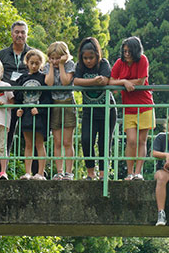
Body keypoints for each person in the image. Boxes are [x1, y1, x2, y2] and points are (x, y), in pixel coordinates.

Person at [110, 36, 154, 180]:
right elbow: (111, 81)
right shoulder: (119, 63)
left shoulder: (142, 60)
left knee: (142, 140)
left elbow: (141, 80)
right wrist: (124, 82)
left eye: (129, 51)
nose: (126, 54)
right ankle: (129, 172)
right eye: (124, 51)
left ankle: (138, 172)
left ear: (136, 51)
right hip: (128, 107)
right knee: (131, 140)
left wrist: (123, 83)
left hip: (144, 105)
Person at [0, 21, 37, 174]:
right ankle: (1, 172)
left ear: (27, 34)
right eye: (17, 32)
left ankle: (36, 171)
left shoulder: (33, 53)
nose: (20, 35)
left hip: (28, 100)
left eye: (23, 32)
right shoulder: (2, 54)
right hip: (8, 101)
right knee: (5, 136)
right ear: (12, 34)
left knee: (31, 135)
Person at [73, 37, 114, 181]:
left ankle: (103, 174)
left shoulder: (103, 63)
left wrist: (92, 82)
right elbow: (76, 81)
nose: (88, 61)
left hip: (106, 110)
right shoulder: (80, 66)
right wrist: (93, 81)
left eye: (91, 58)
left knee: (104, 142)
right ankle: (90, 173)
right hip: (89, 110)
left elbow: (105, 80)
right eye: (85, 58)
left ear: (97, 56)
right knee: (86, 139)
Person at [13, 50, 49, 180]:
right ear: (27, 63)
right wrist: (18, 108)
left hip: (38, 116)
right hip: (26, 115)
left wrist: (40, 109)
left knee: (39, 143)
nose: (34, 66)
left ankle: (40, 172)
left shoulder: (43, 78)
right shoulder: (22, 78)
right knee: (28, 143)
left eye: (37, 63)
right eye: (31, 63)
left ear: (41, 64)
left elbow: (47, 98)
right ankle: (27, 172)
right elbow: (18, 97)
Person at [45, 42, 77, 180]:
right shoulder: (48, 66)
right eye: (52, 58)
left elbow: (65, 82)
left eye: (57, 58)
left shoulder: (70, 65)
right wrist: (52, 66)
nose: (55, 61)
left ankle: (69, 172)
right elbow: (49, 83)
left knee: (67, 141)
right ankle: (59, 171)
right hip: (54, 104)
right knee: (57, 141)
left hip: (68, 103)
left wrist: (62, 65)